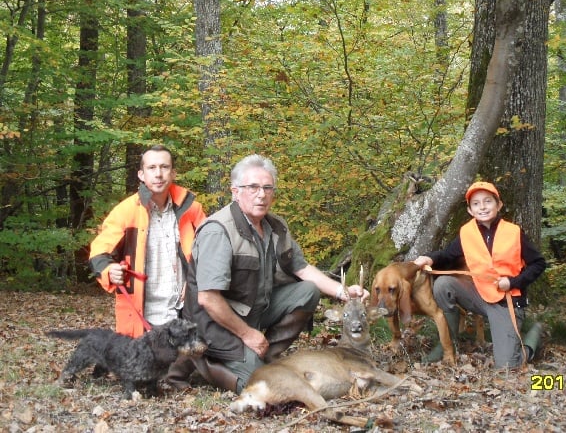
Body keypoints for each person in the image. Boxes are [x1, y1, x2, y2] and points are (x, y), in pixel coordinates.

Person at [169, 154, 369, 394]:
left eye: (267, 188)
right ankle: (202, 362)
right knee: (262, 386)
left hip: (251, 310)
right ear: (235, 191)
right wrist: (248, 335)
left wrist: (343, 292)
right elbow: (208, 299)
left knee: (307, 292)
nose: (261, 194)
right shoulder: (218, 231)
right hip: (211, 324)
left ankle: (267, 355)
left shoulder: (276, 227)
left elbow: (302, 269)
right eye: (252, 187)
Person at [413, 181, 546, 368]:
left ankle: (533, 335)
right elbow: (447, 255)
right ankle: (448, 343)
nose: (482, 207)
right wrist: (429, 258)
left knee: (508, 366)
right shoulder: (467, 232)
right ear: (470, 210)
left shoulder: (514, 232)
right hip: (479, 295)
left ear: (498, 205)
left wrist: (514, 282)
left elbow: (539, 263)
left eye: (487, 201)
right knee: (443, 285)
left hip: (506, 302)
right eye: (476, 203)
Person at [89, 144, 207, 337]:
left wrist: (195, 280)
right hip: (141, 317)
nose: (158, 174)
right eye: (151, 168)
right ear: (141, 175)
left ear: (173, 173)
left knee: (185, 367)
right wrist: (109, 271)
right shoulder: (126, 212)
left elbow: (209, 253)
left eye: (164, 167)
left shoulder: (192, 210)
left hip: (186, 312)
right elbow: (99, 253)